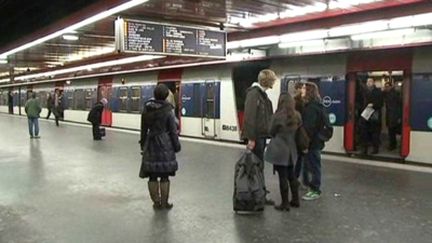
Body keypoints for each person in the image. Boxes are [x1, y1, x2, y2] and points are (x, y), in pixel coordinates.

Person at [139, 83, 181, 210]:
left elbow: (143, 129)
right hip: (165, 144)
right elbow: (173, 131)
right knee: (164, 176)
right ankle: (164, 202)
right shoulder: (168, 110)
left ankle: (156, 202)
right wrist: (176, 145)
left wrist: (143, 144)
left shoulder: (147, 109)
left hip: (150, 143)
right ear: (165, 96)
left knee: (152, 175)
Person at [242, 69, 278, 205]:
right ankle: (257, 195)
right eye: (273, 79)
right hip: (256, 137)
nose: (274, 81)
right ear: (267, 80)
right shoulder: (254, 94)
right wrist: (251, 138)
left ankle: (259, 193)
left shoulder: (261, 95)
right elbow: (250, 117)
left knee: (259, 166)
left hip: (261, 136)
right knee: (256, 166)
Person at [264, 93, 301, 211]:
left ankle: (285, 204)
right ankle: (295, 200)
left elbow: (270, 131)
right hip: (292, 150)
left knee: (282, 176)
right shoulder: (297, 115)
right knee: (292, 176)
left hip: (279, 150)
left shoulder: (277, 116)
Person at [301, 82, 324, 201]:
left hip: (311, 142)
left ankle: (315, 189)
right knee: (311, 165)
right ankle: (309, 185)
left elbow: (309, 128)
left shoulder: (311, 108)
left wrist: (305, 144)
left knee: (314, 166)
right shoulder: (316, 105)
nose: (302, 90)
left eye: (304, 89)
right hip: (316, 141)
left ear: (309, 91)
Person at [360, 78, 383, 155]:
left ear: (373, 83)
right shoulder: (364, 91)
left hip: (374, 113)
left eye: (370, 81)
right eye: (367, 82)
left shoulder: (378, 92)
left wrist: (374, 105)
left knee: (374, 132)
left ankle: (375, 149)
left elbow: (381, 103)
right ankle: (364, 149)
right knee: (364, 132)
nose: (368, 83)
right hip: (366, 112)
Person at [383, 81, 402, 151]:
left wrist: (399, 116)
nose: (386, 88)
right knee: (391, 131)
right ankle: (393, 144)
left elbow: (399, 106)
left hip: (393, 115)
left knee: (392, 132)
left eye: (387, 86)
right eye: (386, 86)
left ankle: (392, 145)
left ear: (391, 86)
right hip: (391, 115)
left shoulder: (394, 94)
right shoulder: (389, 93)